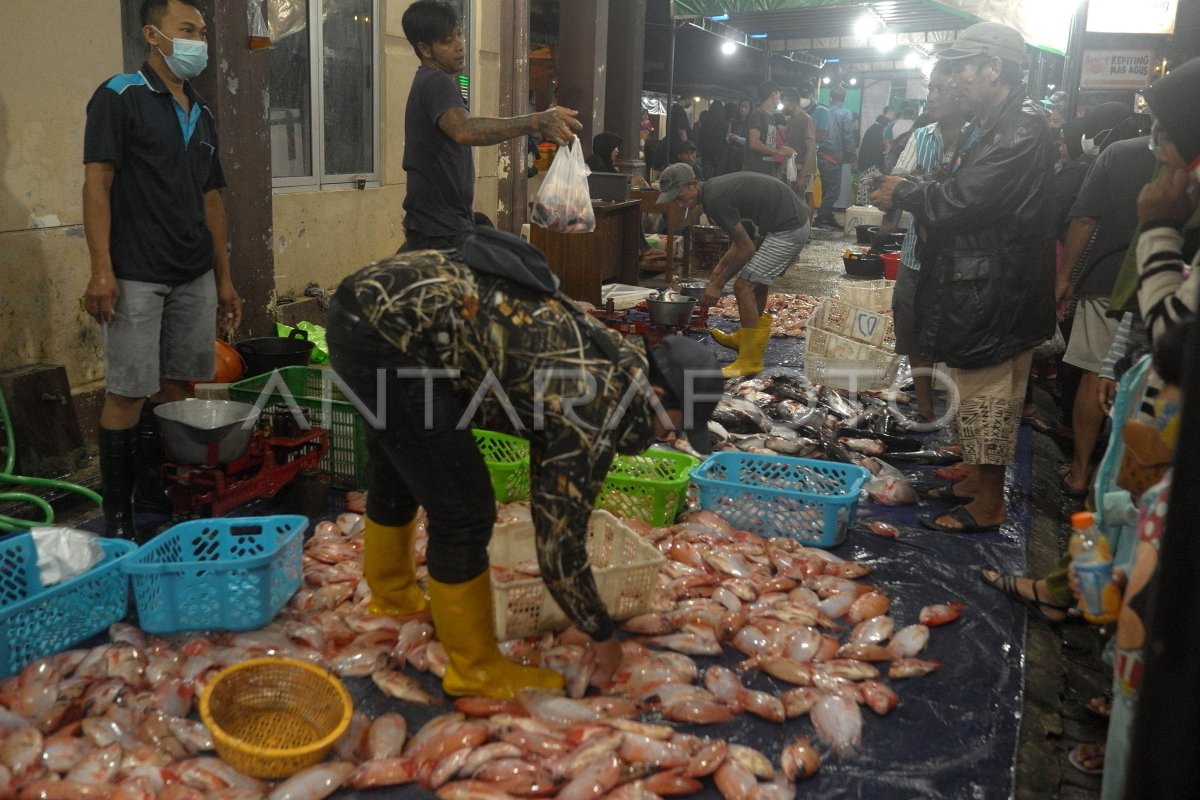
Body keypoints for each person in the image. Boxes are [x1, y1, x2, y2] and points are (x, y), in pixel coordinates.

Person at [326, 229, 723, 700]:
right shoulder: (593, 404)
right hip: (384, 333)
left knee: (405, 461)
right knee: (464, 509)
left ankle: (393, 598)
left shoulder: (618, 362)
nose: (670, 438)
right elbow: (557, 542)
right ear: (656, 396)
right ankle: (474, 671)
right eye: (676, 425)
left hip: (375, 309)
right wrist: (600, 634)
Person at [870, 21, 1057, 532]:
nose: (956, 82)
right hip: (985, 278)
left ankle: (989, 502)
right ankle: (976, 479)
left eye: (963, 71)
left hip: (998, 286)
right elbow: (958, 180)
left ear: (993, 68)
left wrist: (904, 193)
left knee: (989, 393)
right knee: (977, 391)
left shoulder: (1020, 127)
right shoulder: (995, 122)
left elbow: (964, 200)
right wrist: (911, 183)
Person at [82, 0, 242, 541]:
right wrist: (101, 269)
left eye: (201, 30)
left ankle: (159, 494)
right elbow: (97, 182)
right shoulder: (120, 95)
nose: (198, 39)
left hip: (193, 271)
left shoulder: (204, 113)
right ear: (154, 35)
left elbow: (212, 201)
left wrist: (224, 280)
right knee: (127, 391)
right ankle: (121, 519)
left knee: (177, 387)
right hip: (135, 271)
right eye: (186, 29)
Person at [400, 1, 580, 251]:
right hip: (438, 231)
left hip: (439, 225)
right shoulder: (436, 82)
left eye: (459, 35)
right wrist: (535, 120)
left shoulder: (431, 82)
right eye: (447, 41)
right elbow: (464, 130)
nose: (460, 45)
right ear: (425, 50)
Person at [1055, 106, 1153, 499]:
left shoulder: (1120, 153)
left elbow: (1084, 219)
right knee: (1151, 384)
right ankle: (1128, 484)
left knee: (1096, 372)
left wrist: (1065, 277)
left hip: (1111, 282)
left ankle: (1081, 473)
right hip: (1175, 288)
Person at [655, 164, 810, 378]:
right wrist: (720, 267)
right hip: (785, 222)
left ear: (693, 184)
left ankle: (751, 360)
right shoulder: (713, 190)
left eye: (679, 196)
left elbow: (747, 247)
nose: (679, 203)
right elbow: (745, 237)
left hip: (788, 228)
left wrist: (717, 284)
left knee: (743, 286)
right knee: (759, 280)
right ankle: (748, 338)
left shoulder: (715, 199)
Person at [888, 61, 966, 425]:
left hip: (964, 259)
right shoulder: (922, 137)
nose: (931, 97)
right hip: (917, 253)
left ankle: (962, 416)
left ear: (962, 91)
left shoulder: (981, 138)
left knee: (960, 335)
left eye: (939, 89)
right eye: (930, 88)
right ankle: (924, 406)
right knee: (914, 326)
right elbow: (894, 188)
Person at [813, 86, 856, 230]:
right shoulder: (845, 113)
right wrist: (851, 155)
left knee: (827, 189)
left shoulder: (823, 111)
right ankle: (820, 219)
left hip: (820, 155)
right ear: (844, 98)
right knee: (833, 191)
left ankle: (828, 217)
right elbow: (848, 135)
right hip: (834, 156)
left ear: (830, 98)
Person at [744, 81, 795, 177]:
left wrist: (782, 149)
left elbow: (767, 144)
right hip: (755, 172)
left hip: (766, 170)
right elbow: (754, 143)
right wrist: (779, 151)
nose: (779, 99)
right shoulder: (758, 114)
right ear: (773, 93)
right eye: (779, 95)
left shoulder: (771, 117)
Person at [781, 83, 818, 207]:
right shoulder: (790, 120)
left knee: (802, 203)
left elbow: (810, 149)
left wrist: (802, 175)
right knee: (792, 202)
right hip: (792, 168)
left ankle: (806, 226)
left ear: (794, 102)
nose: (783, 107)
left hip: (803, 169)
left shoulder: (806, 120)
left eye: (785, 103)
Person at [667, 94, 694, 165]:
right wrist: (687, 149)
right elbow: (681, 130)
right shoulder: (679, 111)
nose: (691, 103)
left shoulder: (672, 109)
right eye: (691, 101)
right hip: (679, 149)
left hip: (672, 147)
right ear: (687, 98)